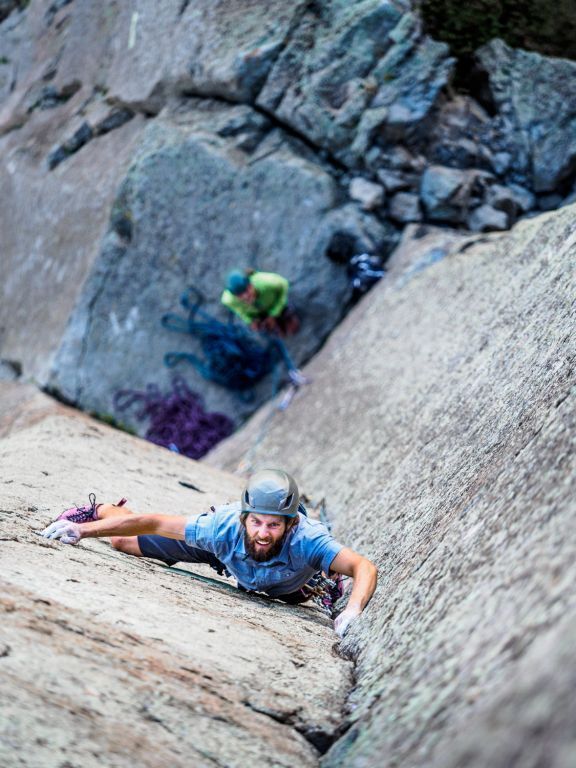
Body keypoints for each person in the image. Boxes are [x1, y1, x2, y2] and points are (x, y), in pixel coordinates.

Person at [41, 469, 377, 638]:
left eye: (273, 525)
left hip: (288, 580)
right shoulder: (223, 527)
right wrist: (82, 531)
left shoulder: (308, 539)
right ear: (244, 516)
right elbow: (155, 522)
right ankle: (101, 509)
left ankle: (324, 580)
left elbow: (363, 566)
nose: (262, 533)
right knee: (123, 542)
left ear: (290, 525)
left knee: (295, 592)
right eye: (256, 522)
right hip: (225, 554)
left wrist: (353, 609)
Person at [221, 269, 300, 337]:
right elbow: (240, 312)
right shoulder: (228, 300)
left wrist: (274, 313)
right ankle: (273, 326)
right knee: (274, 332)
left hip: (274, 303)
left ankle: (286, 314)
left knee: (293, 327)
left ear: (250, 284)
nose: (245, 297)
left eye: (247, 290)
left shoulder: (267, 282)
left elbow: (284, 284)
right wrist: (251, 321)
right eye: (239, 295)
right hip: (259, 314)